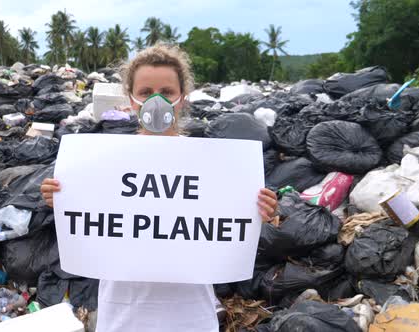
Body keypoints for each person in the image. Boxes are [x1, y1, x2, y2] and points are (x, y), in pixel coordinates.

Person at [40, 44, 278, 332]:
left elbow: (226, 224)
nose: (156, 100)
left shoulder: (212, 164)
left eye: (166, 92)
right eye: (145, 92)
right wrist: (63, 199)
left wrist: (259, 210)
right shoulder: (103, 161)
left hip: (191, 316)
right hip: (123, 315)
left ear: (182, 98)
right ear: (130, 99)